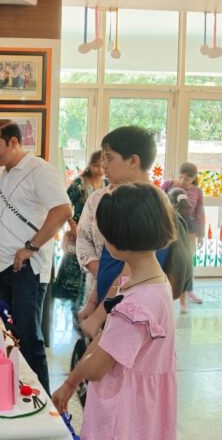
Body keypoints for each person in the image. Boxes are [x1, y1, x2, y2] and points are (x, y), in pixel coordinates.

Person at [52, 183, 178, 440]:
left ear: (119, 238)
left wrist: (76, 374)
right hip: (147, 410)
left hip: (123, 417)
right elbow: (108, 338)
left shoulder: (134, 308)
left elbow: (97, 368)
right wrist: (70, 383)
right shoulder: (157, 283)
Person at [0, 119, 71, 395]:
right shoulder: (3, 177)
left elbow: (63, 210)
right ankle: (13, 390)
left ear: (14, 142)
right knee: (7, 335)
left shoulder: (39, 170)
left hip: (27, 268)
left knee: (29, 339)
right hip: (2, 268)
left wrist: (31, 247)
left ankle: (43, 404)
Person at [76, 126, 192, 338]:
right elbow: (96, 250)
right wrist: (94, 302)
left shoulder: (148, 204)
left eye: (109, 158)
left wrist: (98, 315)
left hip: (127, 308)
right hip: (108, 301)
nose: (104, 165)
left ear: (133, 161)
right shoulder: (113, 197)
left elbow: (129, 271)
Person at [53, 150, 107, 321]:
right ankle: (76, 315)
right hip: (78, 236)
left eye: (102, 166)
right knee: (75, 278)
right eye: (96, 166)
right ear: (89, 165)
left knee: (94, 279)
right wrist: (73, 225)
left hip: (100, 237)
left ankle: (89, 312)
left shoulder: (106, 184)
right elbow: (64, 206)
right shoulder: (78, 184)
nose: (100, 170)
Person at [161, 161, 205, 310]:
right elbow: (157, 202)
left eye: (187, 178)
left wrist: (201, 235)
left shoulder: (197, 192)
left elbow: (200, 213)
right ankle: (165, 290)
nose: (182, 181)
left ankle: (187, 291)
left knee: (187, 261)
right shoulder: (168, 185)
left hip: (188, 230)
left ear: (193, 178)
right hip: (169, 228)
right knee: (168, 259)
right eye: (180, 177)